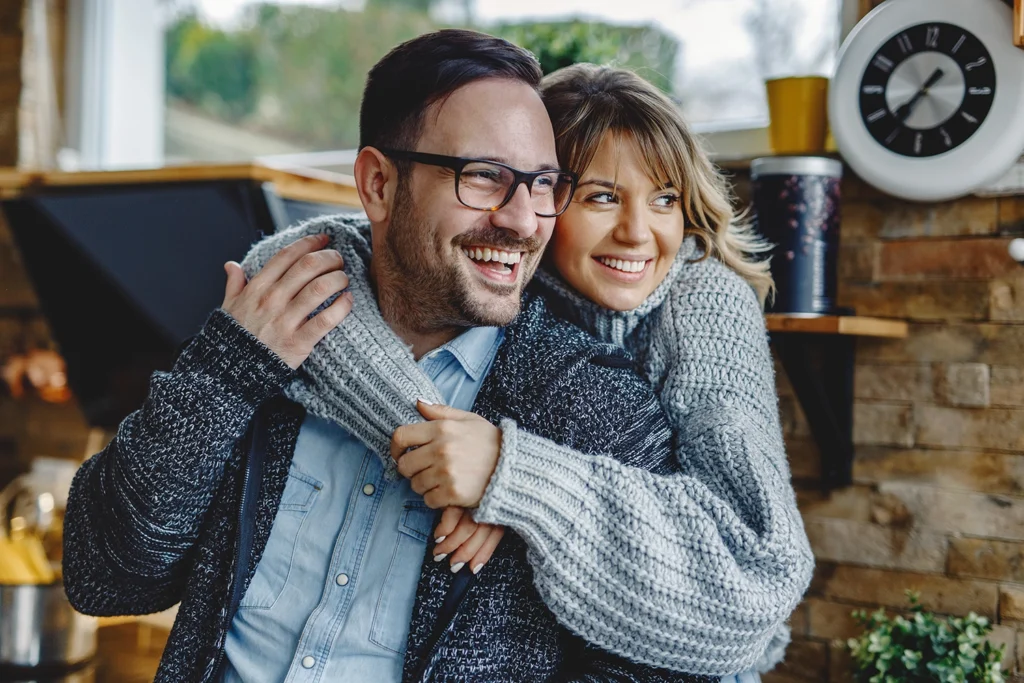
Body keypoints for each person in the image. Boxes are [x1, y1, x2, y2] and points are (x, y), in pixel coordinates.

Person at [62, 30, 716, 683]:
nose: (522, 221)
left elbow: (666, 666)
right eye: (483, 176)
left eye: (542, 183)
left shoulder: (588, 408)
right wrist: (221, 376)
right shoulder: (271, 326)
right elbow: (106, 576)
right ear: (378, 184)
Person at [315, 63, 815, 681]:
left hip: (703, 651)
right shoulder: (504, 282)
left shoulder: (704, 304)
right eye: (602, 197)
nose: (638, 233)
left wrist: (513, 479)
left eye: (665, 199)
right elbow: (297, 261)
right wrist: (452, 460)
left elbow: (758, 571)